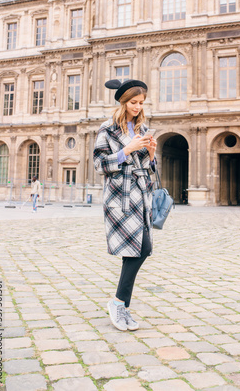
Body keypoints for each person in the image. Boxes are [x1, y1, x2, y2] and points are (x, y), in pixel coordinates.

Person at [93, 79, 157, 332]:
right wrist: (126, 150)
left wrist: (151, 155)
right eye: (133, 102)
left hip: (141, 195)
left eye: (141, 103)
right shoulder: (107, 129)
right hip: (120, 196)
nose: (137, 107)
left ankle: (121, 305)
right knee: (139, 249)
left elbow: (148, 168)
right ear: (123, 102)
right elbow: (99, 164)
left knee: (140, 249)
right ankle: (119, 303)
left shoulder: (143, 127)